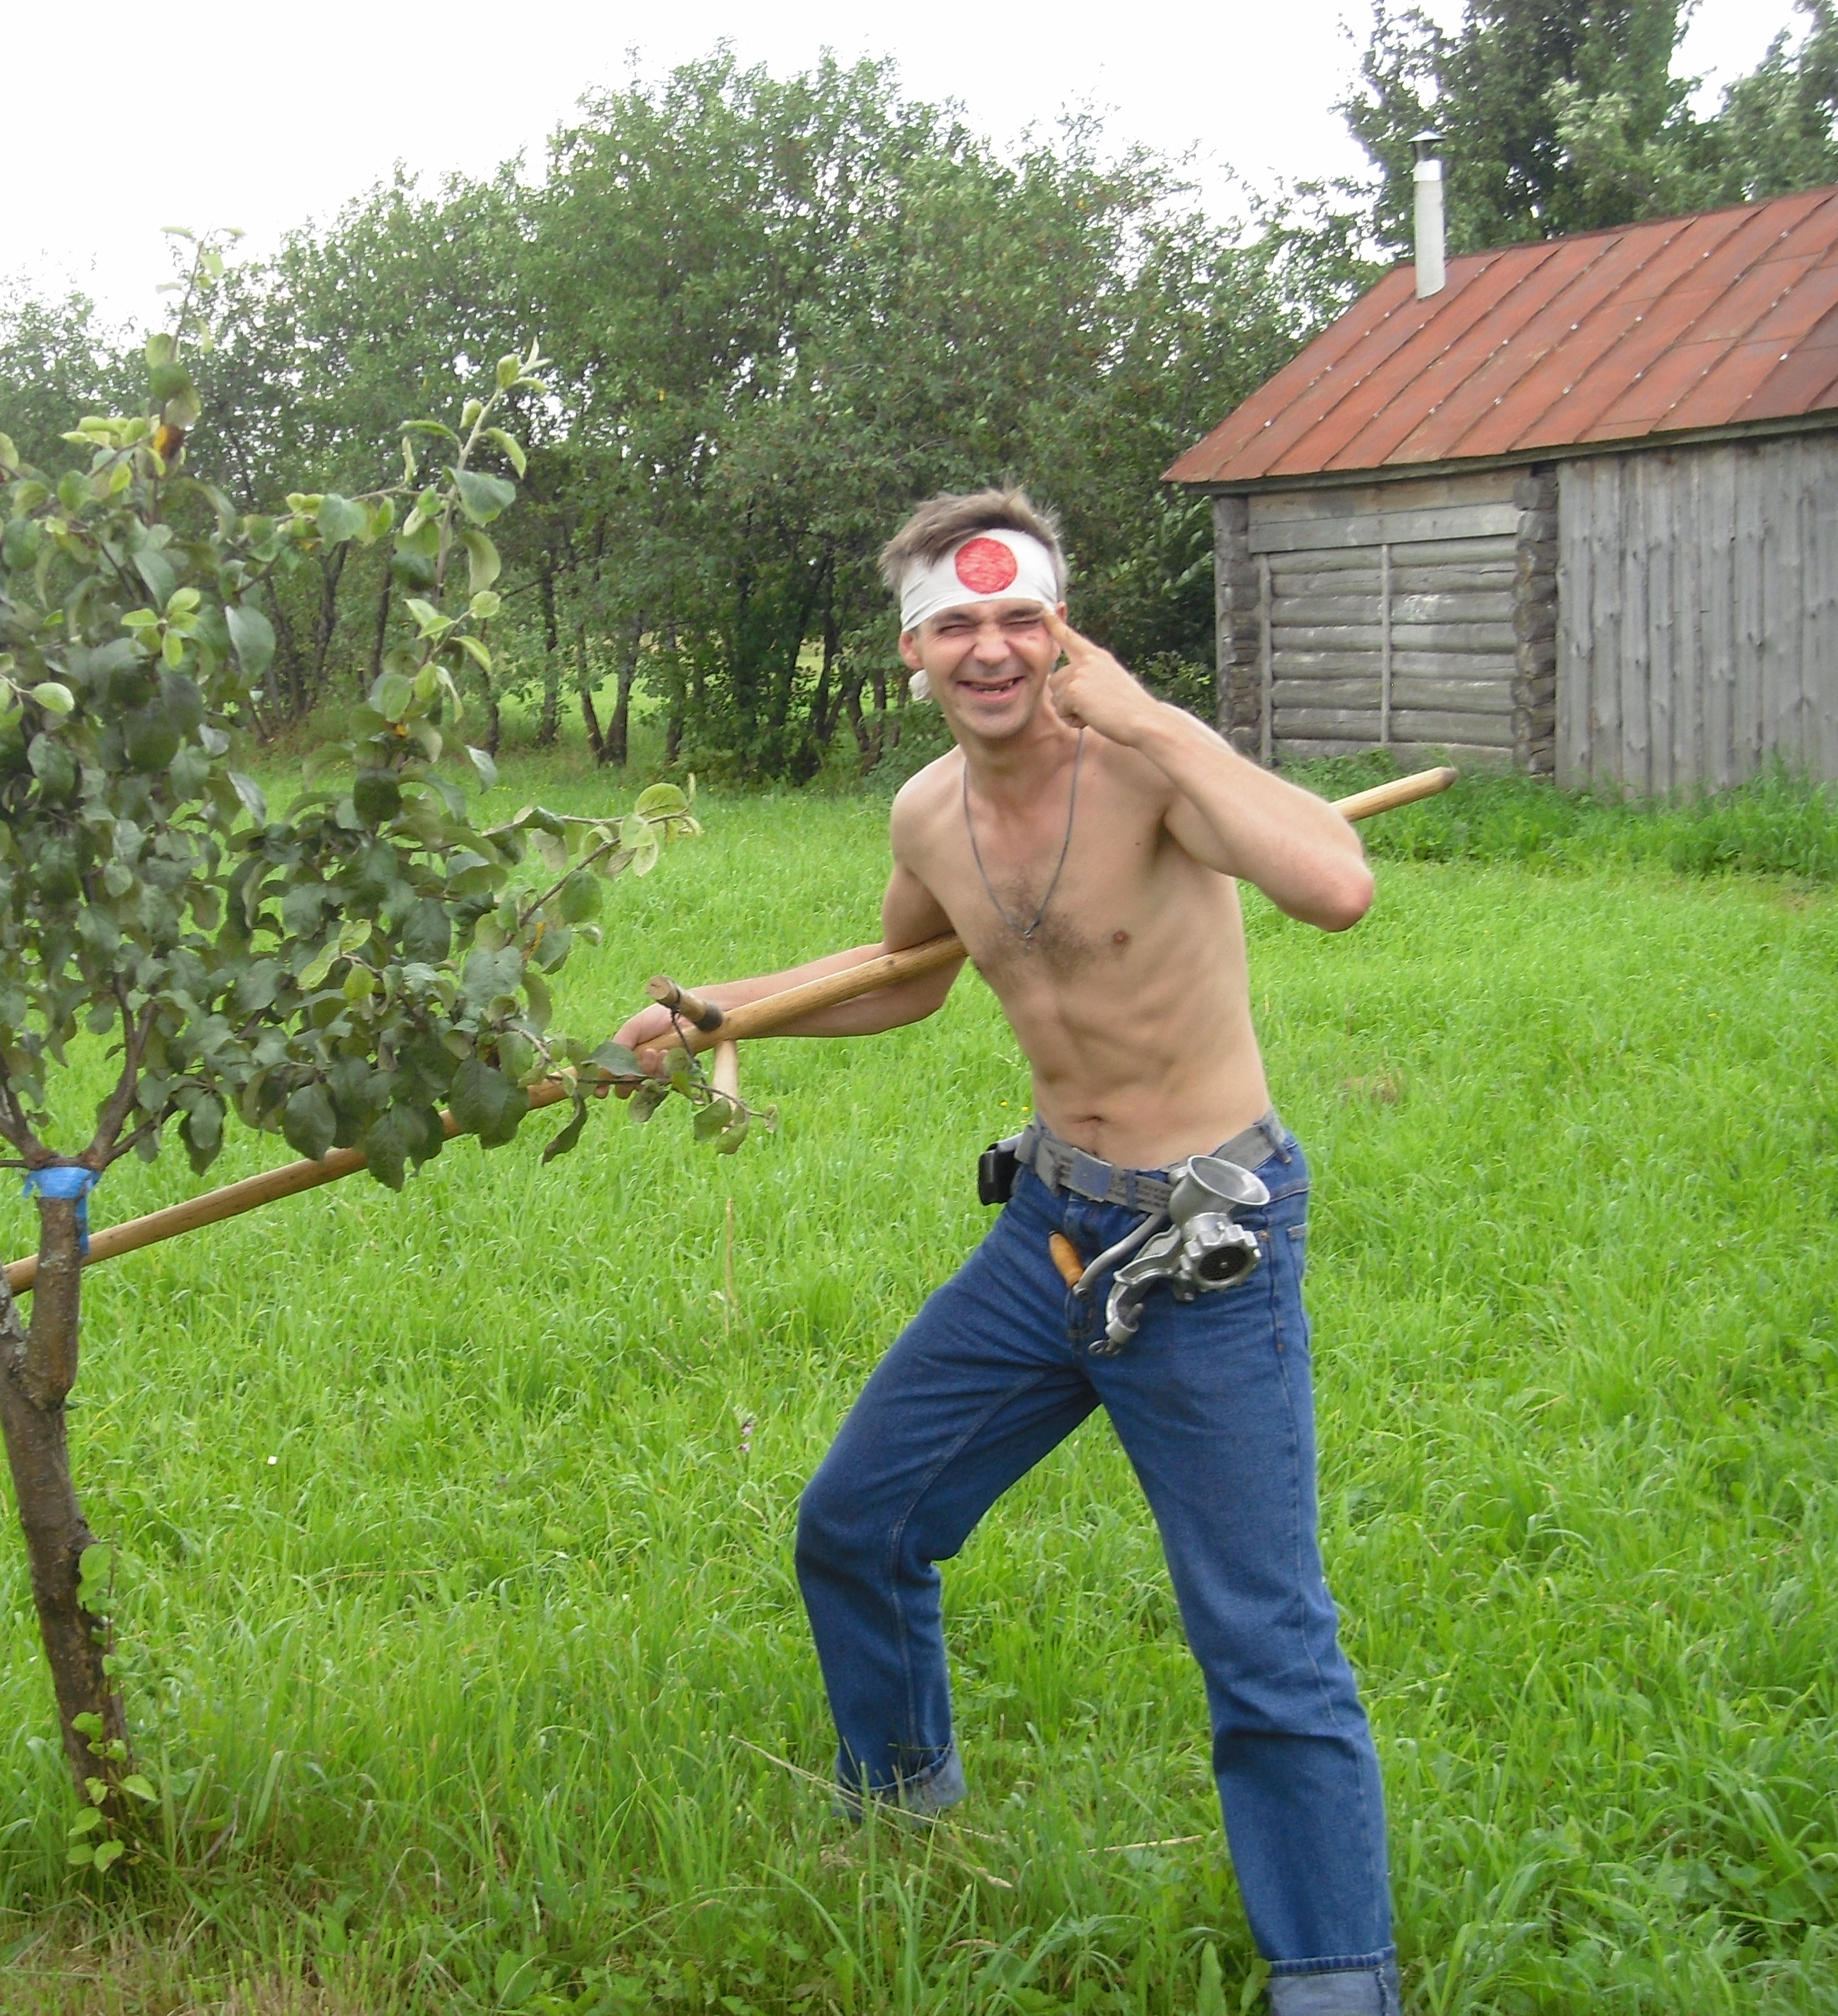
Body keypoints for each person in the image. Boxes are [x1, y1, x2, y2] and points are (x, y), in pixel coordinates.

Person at [614, 491, 1400, 2016]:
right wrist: (717, 1009)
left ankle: (1336, 1980)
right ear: (910, 650)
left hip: (1205, 1242)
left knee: (1263, 1640)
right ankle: (902, 1805)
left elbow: (1337, 888)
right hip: (1051, 1232)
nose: (991, 649)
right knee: (861, 1522)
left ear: (1063, 631)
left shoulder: (1151, 772)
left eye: (1020, 618)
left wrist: (1151, 715)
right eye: (956, 624)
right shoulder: (929, 812)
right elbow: (905, 977)